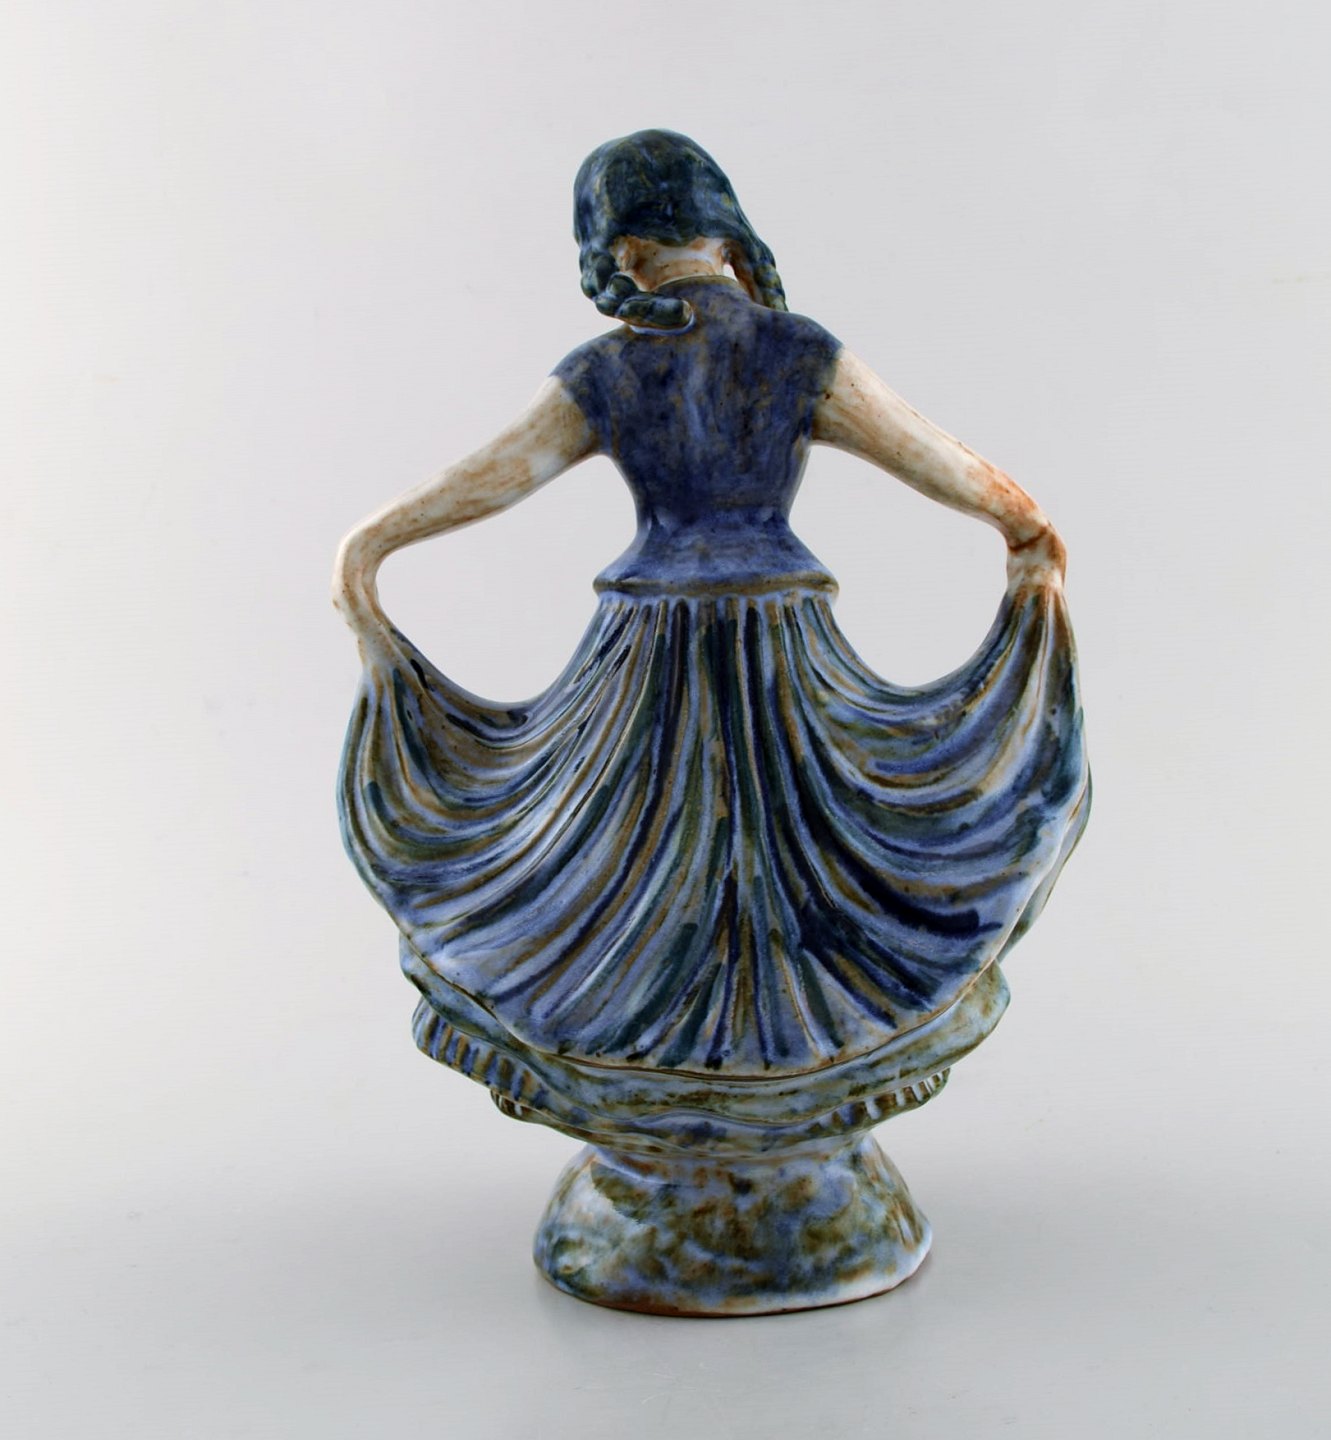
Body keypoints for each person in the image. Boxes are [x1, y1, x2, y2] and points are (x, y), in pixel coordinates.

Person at [334, 130, 1089, 1085]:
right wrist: (1026, 531)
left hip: (644, 652)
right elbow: (937, 461)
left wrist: (369, 546)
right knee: (821, 860)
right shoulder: (798, 351)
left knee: (609, 876)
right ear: (725, 231)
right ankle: (798, 1072)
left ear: (620, 250)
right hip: (781, 644)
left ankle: (650, 1085)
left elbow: (490, 476)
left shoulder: (604, 369)